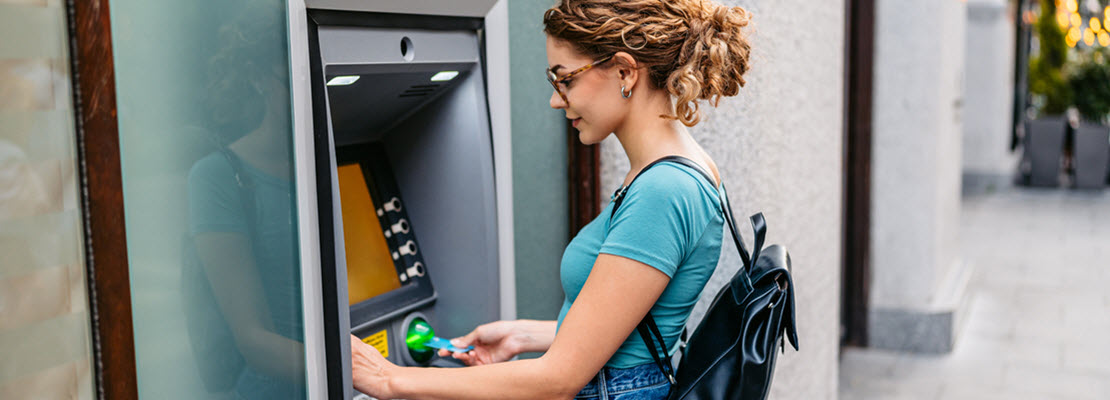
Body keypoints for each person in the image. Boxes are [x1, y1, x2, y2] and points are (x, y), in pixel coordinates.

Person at [350, 0, 753, 398]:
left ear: (625, 72)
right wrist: (523, 334)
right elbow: (632, 328)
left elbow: (558, 382)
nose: (556, 99)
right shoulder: (675, 169)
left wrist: (390, 380)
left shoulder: (663, 190)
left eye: (566, 79)